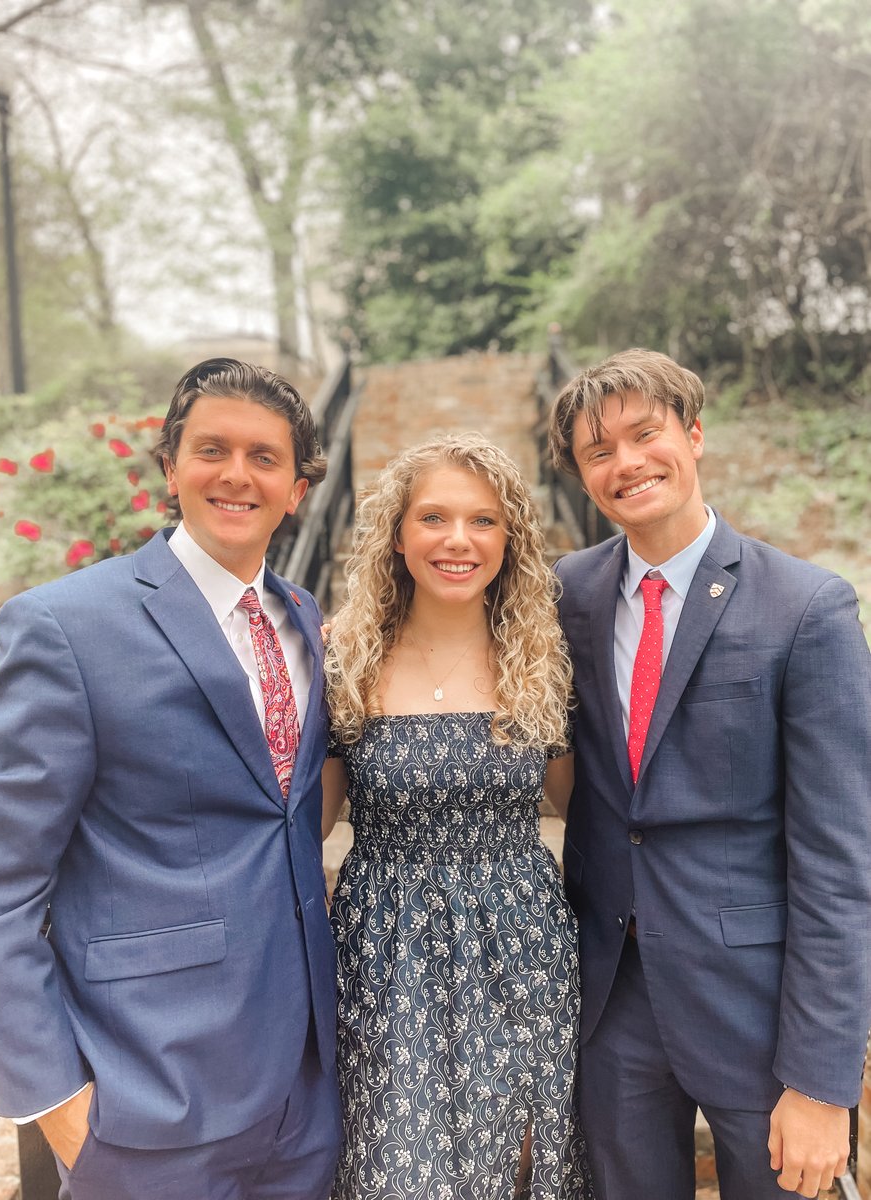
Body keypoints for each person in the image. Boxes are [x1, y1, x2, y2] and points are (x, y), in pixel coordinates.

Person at [0, 359, 342, 1200]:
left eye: (265, 457)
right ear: (170, 468)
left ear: (296, 489)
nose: (236, 474)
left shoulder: (306, 619)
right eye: (212, 449)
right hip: (148, 1105)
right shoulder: (64, 626)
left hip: (306, 1095)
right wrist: (58, 1101)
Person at [548, 347, 871, 1200]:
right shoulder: (564, 597)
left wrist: (823, 1079)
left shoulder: (806, 607)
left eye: (645, 435)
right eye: (598, 451)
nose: (626, 464)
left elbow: (840, 860)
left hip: (757, 1014)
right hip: (610, 1005)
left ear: (694, 435)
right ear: (583, 476)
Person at [322, 433, 592, 1200]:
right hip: (384, 951)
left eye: (483, 520)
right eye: (433, 517)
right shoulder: (346, 660)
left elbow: (581, 809)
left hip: (522, 943)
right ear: (397, 535)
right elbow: (306, 823)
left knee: (521, 1162)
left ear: (510, 540)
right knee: (389, 1164)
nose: (458, 540)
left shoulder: (544, 659)